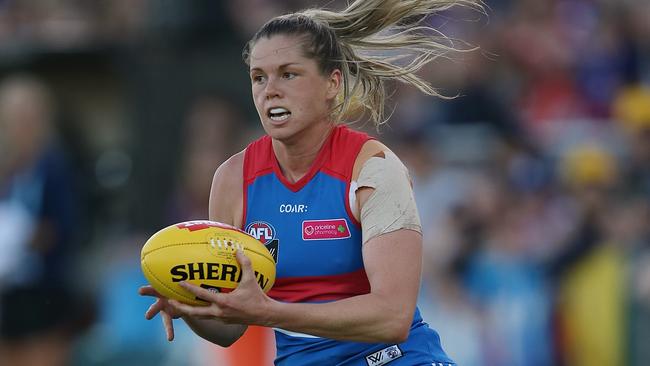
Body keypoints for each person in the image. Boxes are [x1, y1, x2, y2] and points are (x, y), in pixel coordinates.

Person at [139, 0, 483, 364]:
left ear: (332, 83)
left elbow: (393, 317)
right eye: (259, 77)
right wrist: (192, 303)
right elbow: (233, 326)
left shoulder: (374, 169)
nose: (270, 90)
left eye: (288, 74)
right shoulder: (231, 179)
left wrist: (269, 311)